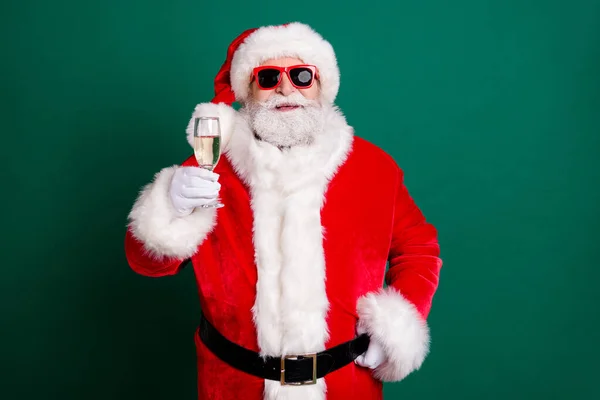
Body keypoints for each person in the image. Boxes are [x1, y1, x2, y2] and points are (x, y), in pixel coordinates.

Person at [124, 22, 442, 400]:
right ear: (248, 91)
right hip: (234, 387)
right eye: (269, 76)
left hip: (346, 386)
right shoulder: (209, 170)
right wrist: (168, 208)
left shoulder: (375, 168)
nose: (286, 88)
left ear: (322, 87)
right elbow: (145, 262)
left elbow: (420, 250)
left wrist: (396, 324)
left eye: (302, 76)